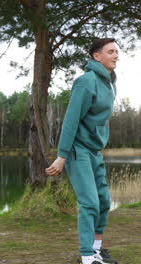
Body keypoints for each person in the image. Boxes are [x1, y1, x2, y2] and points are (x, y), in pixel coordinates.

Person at [46, 38, 120, 264]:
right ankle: (87, 258)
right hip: (78, 150)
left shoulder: (110, 82)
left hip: (94, 150)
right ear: (97, 56)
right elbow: (71, 120)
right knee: (89, 203)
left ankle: (96, 249)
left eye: (117, 51)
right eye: (111, 51)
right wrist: (62, 156)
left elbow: (100, 120)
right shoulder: (85, 82)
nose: (116, 55)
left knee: (103, 201)